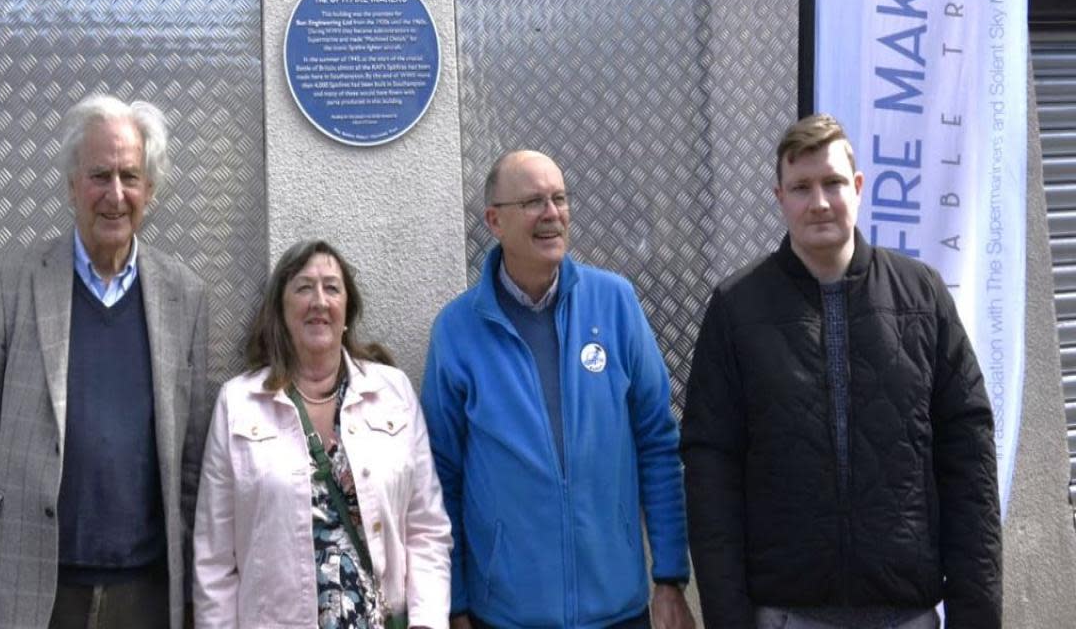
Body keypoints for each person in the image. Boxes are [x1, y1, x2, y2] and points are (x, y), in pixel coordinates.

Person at [681, 114, 1002, 629]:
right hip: (787, 615)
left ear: (857, 187)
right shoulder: (737, 309)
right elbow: (710, 471)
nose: (820, 201)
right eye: (801, 187)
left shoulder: (922, 297)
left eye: (832, 183)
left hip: (908, 613)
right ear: (779, 197)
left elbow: (969, 459)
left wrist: (977, 614)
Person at [0, 94, 211, 629]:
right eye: (98, 175)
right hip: (33, 588)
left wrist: (200, 596)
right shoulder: (13, 284)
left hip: (147, 594)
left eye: (129, 176)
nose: (114, 194)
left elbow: (193, 466)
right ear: (71, 185)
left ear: (149, 191)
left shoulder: (186, 296)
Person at [421, 149, 695, 629]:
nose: (552, 214)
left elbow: (657, 444)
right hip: (505, 615)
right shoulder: (457, 331)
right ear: (494, 221)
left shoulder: (615, 303)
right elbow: (442, 477)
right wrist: (456, 603)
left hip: (619, 610)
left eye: (560, 199)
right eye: (533, 202)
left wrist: (670, 576)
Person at [193, 239, 452, 629]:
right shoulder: (238, 403)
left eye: (331, 287)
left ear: (347, 309)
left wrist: (428, 622)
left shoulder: (392, 392)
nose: (319, 300)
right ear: (280, 310)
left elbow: (427, 528)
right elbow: (214, 556)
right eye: (303, 288)